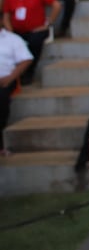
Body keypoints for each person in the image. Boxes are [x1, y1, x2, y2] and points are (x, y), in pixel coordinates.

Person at [2, 0, 61, 85]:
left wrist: (48, 23)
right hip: (17, 31)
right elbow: (6, 16)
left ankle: (29, 73)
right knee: (12, 43)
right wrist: (10, 32)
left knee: (35, 41)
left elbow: (56, 4)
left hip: (37, 29)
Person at [0, 26, 33, 156]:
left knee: (1, 99)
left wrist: (10, 77)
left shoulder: (12, 39)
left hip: (5, 80)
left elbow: (26, 59)